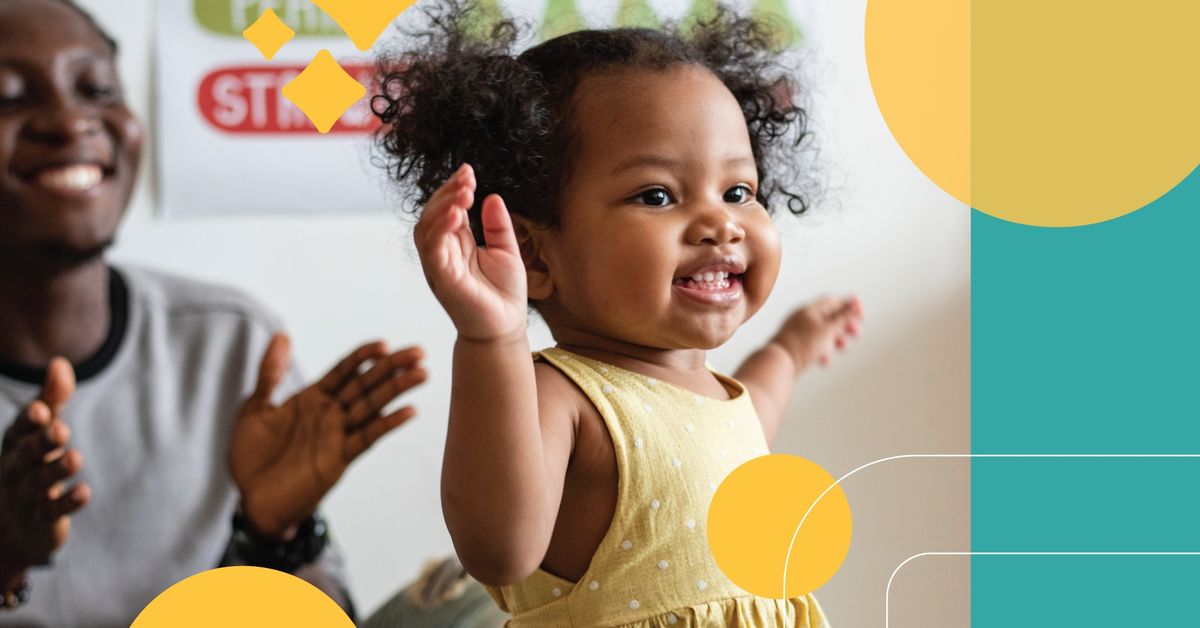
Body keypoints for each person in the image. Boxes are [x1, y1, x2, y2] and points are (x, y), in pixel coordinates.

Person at [373, 1, 862, 625]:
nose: (721, 222)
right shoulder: (563, 397)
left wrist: (791, 350)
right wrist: (491, 339)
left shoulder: (710, 395)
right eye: (657, 195)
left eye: (738, 191)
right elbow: (500, 550)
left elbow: (747, 423)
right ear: (534, 253)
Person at [0, 0, 427, 623]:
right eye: (8, 96)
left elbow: (329, 611)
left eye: (96, 89)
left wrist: (270, 537)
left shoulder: (230, 344)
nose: (69, 121)